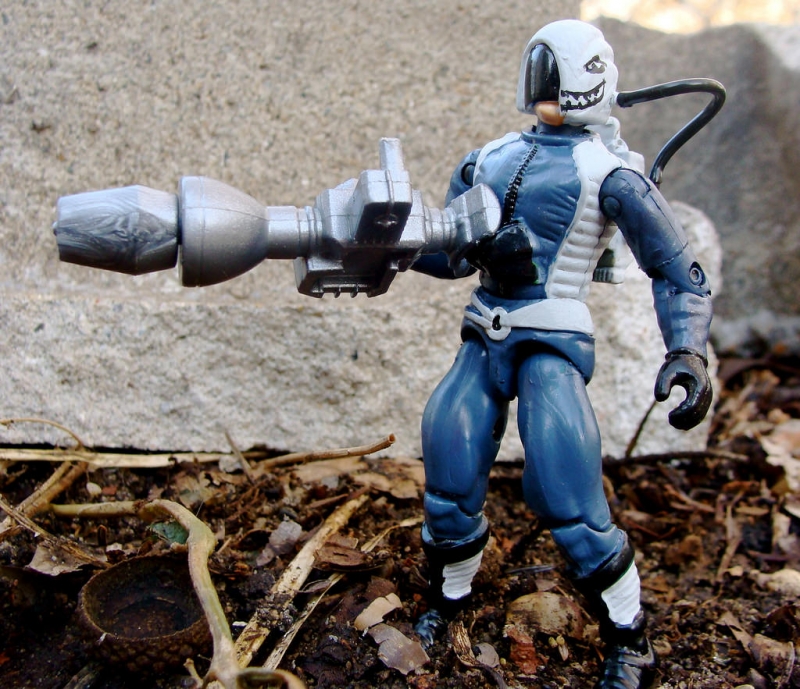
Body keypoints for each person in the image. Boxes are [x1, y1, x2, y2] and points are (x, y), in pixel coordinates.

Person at [411, 19, 713, 689]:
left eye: (556, 74)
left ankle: (630, 637)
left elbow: (677, 271)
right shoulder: (488, 157)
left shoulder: (609, 174)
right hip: (483, 330)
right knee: (450, 461)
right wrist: (391, 239)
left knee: (564, 490)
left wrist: (688, 349)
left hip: (551, 337)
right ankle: (448, 600)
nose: (545, 86)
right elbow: (447, 253)